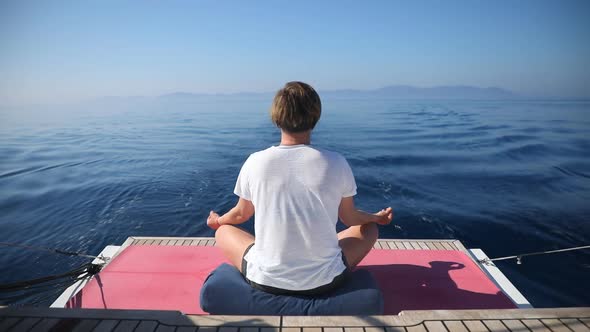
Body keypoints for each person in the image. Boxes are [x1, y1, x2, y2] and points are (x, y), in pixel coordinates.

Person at [207, 81, 393, 296]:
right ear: (315, 118)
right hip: (326, 280)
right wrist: (376, 218)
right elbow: (350, 218)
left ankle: (272, 252)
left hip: (264, 279)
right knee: (369, 228)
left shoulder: (255, 161)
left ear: (276, 118)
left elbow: (240, 214)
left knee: (224, 230)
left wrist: (217, 221)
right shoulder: (336, 162)